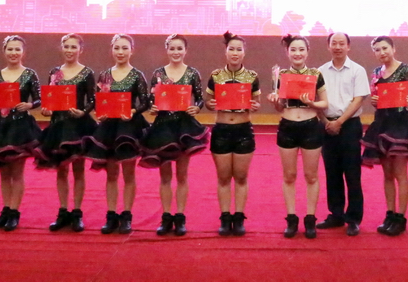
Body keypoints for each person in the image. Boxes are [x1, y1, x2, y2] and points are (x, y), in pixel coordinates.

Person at [141, 34, 209, 237]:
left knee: (182, 174)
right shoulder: (158, 73)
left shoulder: (192, 73)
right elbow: (152, 99)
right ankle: (166, 216)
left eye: (179, 48)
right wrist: (153, 108)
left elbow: (200, 99)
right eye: (172, 48)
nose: (176, 52)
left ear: (185, 50)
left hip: (184, 129)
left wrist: (196, 108)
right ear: (167, 50)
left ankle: (180, 216)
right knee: (164, 176)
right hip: (162, 128)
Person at [0, 35, 42, 231]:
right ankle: (5, 209)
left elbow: (39, 99)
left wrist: (29, 105)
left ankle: (14, 212)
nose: (13, 53)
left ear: (23, 52)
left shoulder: (30, 74)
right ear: (4, 51)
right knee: (4, 172)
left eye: (17, 49)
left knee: (17, 172)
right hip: (0, 127)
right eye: (10, 49)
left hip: (21, 128)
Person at [361, 36, 408, 237]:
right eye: (377, 50)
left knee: (400, 173)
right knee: (387, 174)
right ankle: (389, 214)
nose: (382, 52)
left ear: (393, 49)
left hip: (400, 125)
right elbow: (377, 98)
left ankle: (401, 217)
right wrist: (374, 101)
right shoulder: (376, 73)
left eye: (385, 48)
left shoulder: (404, 69)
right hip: (382, 123)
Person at [85, 34, 149, 235]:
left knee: (129, 174)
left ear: (132, 51)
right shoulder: (104, 75)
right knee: (111, 174)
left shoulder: (137, 75)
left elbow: (145, 102)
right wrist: (100, 112)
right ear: (111, 50)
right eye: (117, 48)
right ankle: (111, 215)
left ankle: (127, 215)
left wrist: (133, 111)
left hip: (128, 128)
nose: (120, 52)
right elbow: (99, 101)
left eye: (124, 48)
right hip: (109, 129)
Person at [267, 35, 329, 239]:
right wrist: (275, 101)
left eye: (301, 49)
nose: (297, 53)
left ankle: (310, 218)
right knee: (289, 175)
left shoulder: (315, 74)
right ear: (287, 52)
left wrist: (312, 103)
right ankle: (291, 218)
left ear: (307, 52)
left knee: (311, 176)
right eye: (293, 50)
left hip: (311, 126)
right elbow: (280, 107)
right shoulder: (281, 75)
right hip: (287, 127)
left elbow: (324, 103)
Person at [35, 33, 96, 233]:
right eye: (66, 46)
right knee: (61, 169)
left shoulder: (87, 73)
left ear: (81, 50)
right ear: (61, 48)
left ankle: (77, 212)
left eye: (73, 47)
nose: (70, 50)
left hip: (78, 126)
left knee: (78, 170)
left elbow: (92, 100)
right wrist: (46, 109)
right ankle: (63, 211)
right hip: (58, 126)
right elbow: (49, 100)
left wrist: (83, 111)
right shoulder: (55, 72)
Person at [204, 31, 261, 236]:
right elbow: (209, 102)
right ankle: (225, 217)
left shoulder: (252, 77)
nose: (235, 53)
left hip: (243, 130)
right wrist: (210, 105)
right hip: (221, 130)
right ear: (226, 52)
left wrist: (255, 106)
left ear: (244, 53)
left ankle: (239, 217)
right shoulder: (216, 76)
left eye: (239, 49)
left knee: (241, 177)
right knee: (223, 177)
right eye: (231, 49)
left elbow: (256, 102)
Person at [316, 32, 369, 237]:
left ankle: (353, 218)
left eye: (341, 43)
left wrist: (339, 122)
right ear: (328, 46)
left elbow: (358, 100)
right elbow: (315, 100)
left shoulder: (358, 70)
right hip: (326, 125)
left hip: (349, 126)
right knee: (332, 172)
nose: (337, 47)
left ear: (348, 46)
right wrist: (326, 122)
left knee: (352, 173)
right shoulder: (320, 71)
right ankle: (336, 214)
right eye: (334, 43)